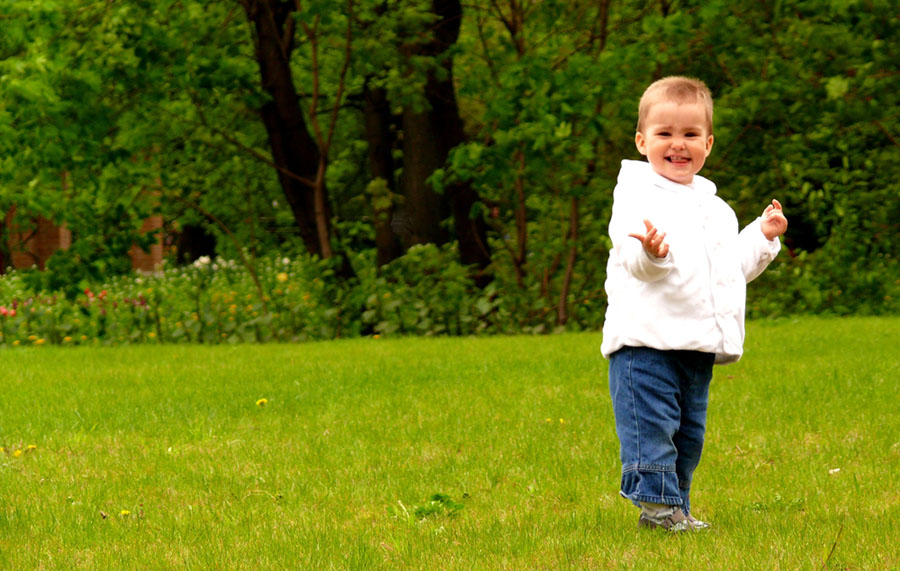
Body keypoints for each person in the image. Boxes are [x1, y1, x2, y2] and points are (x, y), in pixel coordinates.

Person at [601, 76, 788, 532]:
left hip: (694, 344)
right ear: (643, 141)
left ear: (707, 142)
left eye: (689, 135)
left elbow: (726, 273)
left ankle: (675, 506)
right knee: (653, 427)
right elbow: (632, 260)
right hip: (644, 344)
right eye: (665, 134)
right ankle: (658, 509)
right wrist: (651, 251)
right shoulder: (636, 196)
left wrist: (760, 238)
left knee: (688, 434)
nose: (677, 145)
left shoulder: (715, 208)